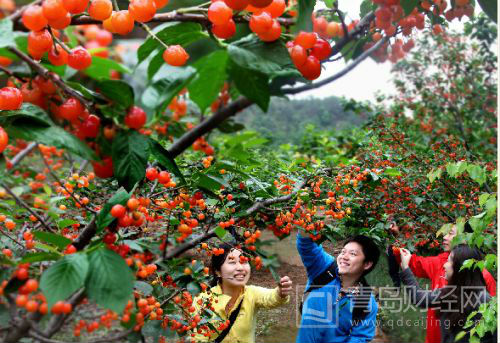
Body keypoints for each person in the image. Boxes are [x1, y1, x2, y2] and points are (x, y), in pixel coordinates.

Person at [388, 222, 496, 343]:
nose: (444, 237)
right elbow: (413, 263)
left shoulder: (484, 277)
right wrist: (397, 240)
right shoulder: (441, 262)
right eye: (445, 233)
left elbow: (491, 322)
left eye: (450, 234)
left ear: (465, 238)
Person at [193, 243, 292, 343]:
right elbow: (198, 338)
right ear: (218, 271)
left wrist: (281, 292)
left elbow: (271, 297)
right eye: (232, 262)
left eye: (243, 261)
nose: (240, 267)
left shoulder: (251, 293)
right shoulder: (202, 301)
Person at [296, 229, 380, 343]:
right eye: (343, 252)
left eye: (353, 254)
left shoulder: (366, 302)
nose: (344, 257)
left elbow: (360, 338)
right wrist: (304, 224)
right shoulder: (325, 269)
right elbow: (307, 245)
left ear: (367, 264)